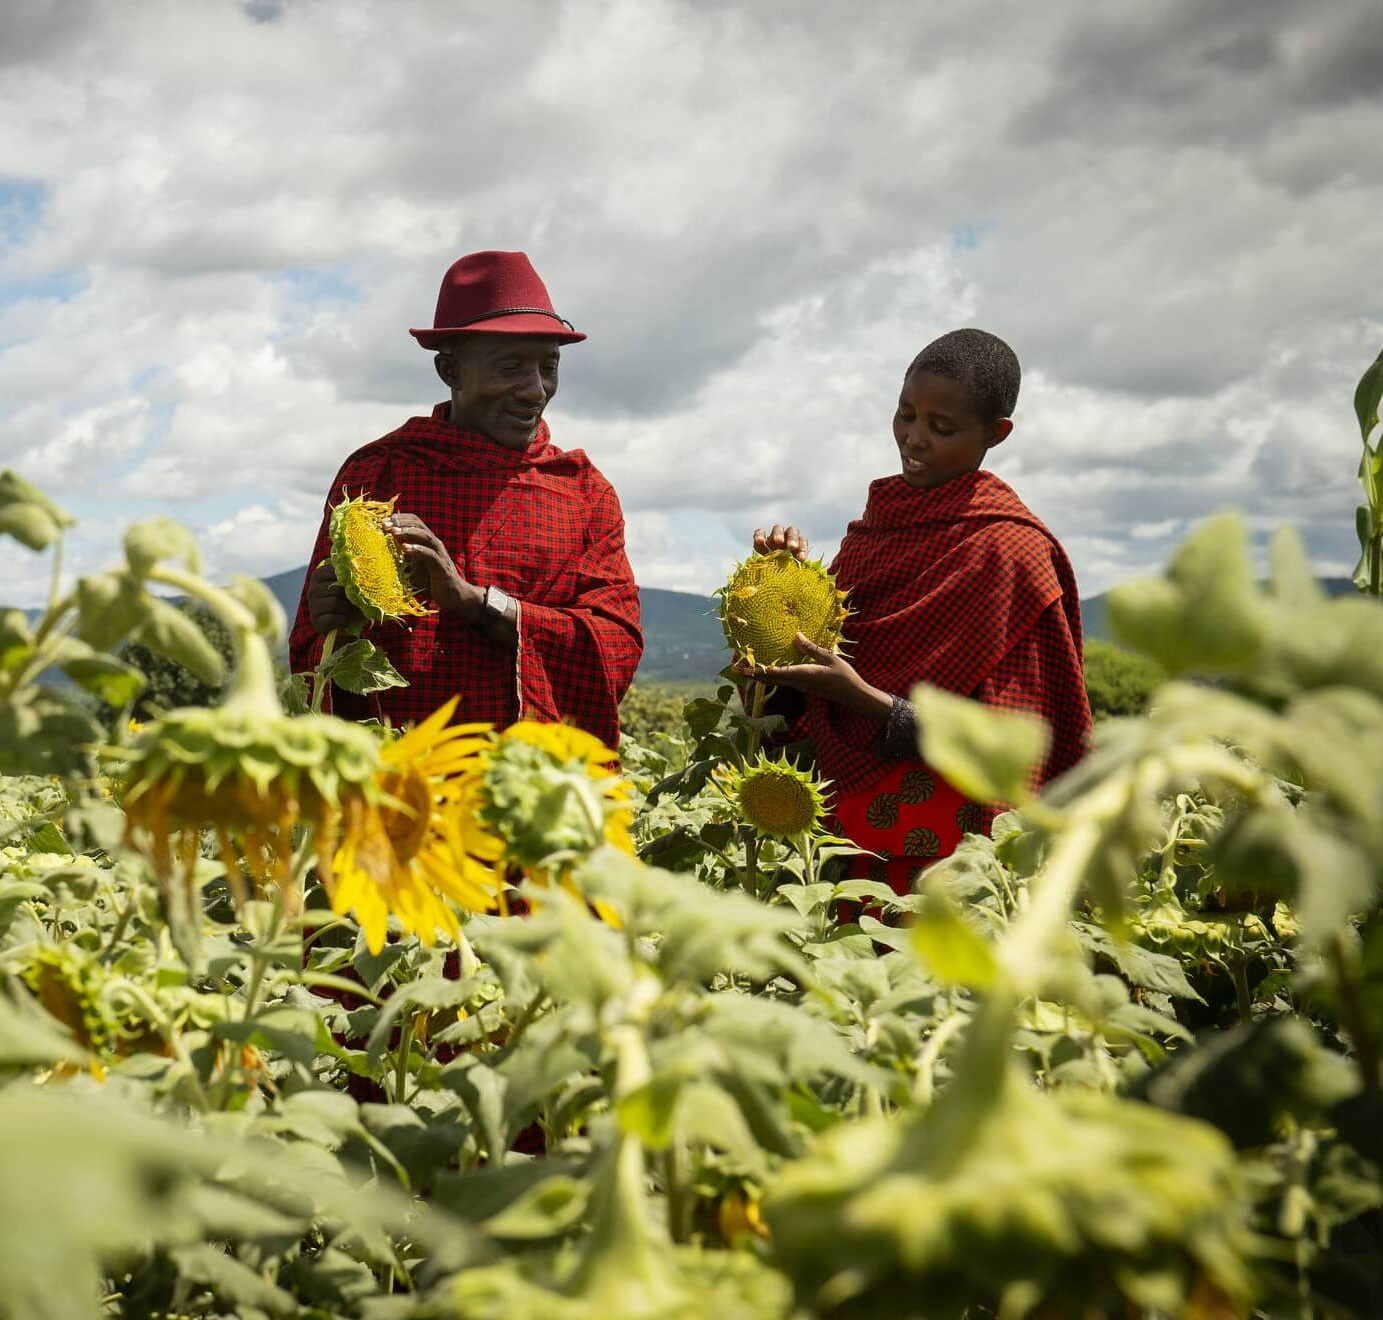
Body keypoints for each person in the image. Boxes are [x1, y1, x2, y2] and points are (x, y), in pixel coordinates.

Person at [742, 328, 1091, 893]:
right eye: (905, 415)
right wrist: (776, 589)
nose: (914, 438)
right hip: (849, 839)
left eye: (942, 427)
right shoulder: (873, 533)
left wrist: (867, 702)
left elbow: (1017, 740)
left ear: (996, 434)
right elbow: (799, 684)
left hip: (960, 853)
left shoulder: (1011, 552)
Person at [288, 251, 642, 747]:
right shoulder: (378, 473)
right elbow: (313, 658)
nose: (534, 390)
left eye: (549, 367)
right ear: (449, 369)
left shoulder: (584, 494)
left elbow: (614, 650)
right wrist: (333, 626)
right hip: (397, 783)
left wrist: (472, 601)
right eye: (511, 367)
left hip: (529, 792)